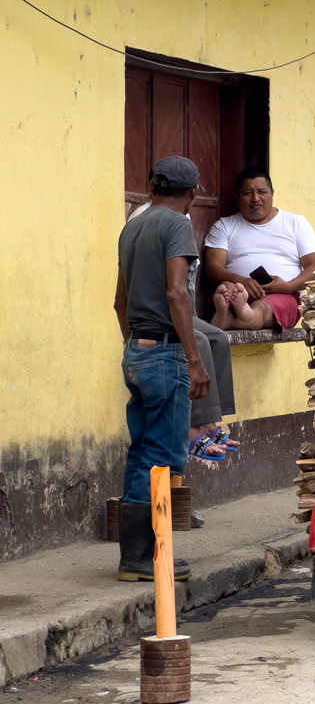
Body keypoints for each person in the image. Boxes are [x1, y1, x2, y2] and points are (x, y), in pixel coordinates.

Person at [114, 156, 211, 582]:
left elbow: (119, 301)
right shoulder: (177, 225)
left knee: (141, 454)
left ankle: (134, 558)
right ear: (192, 194)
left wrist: (134, 347)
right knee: (164, 459)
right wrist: (193, 358)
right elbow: (177, 294)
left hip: (137, 351)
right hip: (166, 354)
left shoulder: (132, 225)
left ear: (151, 185)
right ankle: (150, 556)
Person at [129, 194, 238, 463]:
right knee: (198, 341)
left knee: (216, 338)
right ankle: (193, 428)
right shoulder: (147, 220)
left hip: (180, 307)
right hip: (159, 313)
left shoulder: (182, 219)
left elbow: (187, 277)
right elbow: (171, 290)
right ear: (190, 193)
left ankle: (210, 422)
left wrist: (192, 312)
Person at [204, 167, 315, 331]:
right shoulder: (224, 226)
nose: (255, 198)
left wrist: (288, 286)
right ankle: (233, 310)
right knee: (227, 288)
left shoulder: (296, 223)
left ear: (272, 193)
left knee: (262, 308)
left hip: (283, 296)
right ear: (237, 197)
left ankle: (232, 319)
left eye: (262, 192)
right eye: (247, 193)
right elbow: (212, 267)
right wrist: (241, 281)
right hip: (239, 290)